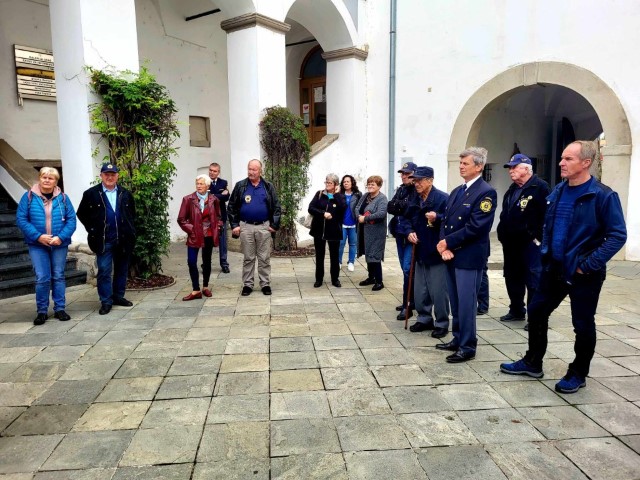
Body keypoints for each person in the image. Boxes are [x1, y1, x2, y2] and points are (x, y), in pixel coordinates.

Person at [500, 141, 626, 393]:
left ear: (586, 163)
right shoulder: (558, 190)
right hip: (553, 268)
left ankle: (578, 373)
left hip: (583, 272)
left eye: (568, 159)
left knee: (582, 323)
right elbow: (548, 225)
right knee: (536, 311)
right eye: (562, 158)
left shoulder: (603, 195)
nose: (561, 163)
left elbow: (617, 236)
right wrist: (545, 252)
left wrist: (587, 265)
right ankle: (533, 362)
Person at [436, 147, 497, 363]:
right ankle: (457, 337)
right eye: (460, 163)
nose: (461, 166)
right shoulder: (457, 191)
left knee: (467, 304)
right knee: (455, 301)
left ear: (479, 166)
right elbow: (445, 221)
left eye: (465, 163)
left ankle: (468, 346)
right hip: (451, 255)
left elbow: (476, 227)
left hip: (469, 257)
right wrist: (444, 246)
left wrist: (448, 242)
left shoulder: (486, 192)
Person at [16, 167, 77, 325]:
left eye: (51, 178)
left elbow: (71, 220)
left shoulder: (63, 198)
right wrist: (38, 236)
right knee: (42, 277)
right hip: (37, 244)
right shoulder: (28, 197)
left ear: (56, 181)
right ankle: (42, 311)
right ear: (39, 178)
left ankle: (60, 309)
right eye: (44, 177)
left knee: (58, 275)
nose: (47, 180)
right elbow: (21, 219)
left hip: (59, 244)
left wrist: (60, 237)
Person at [497, 154, 550, 327]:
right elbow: (506, 213)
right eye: (510, 168)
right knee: (512, 276)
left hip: (530, 244)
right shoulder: (512, 189)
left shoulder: (540, 187)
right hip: (511, 243)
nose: (510, 171)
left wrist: (537, 237)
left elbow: (548, 216)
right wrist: (502, 233)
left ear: (526, 169)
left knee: (533, 279)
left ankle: (535, 317)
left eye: (514, 167)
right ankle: (516, 310)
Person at [398, 166, 450, 337]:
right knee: (420, 290)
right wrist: (408, 232)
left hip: (436, 251)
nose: (416, 183)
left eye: (420, 180)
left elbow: (451, 221)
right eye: (415, 180)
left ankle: (441, 322)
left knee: (438, 290)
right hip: (419, 250)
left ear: (430, 181)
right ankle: (424, 318)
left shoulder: (443, 198)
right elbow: (405, 218)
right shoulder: (415, 198)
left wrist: (438, 217)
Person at [77, 163, 136, 315]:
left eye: (113, 174)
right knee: (104, 270)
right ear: (101, 176)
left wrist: (130, 231)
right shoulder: (91, 194)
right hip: (103, 240)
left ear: (117, 176)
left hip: (123, 239)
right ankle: (106, 301)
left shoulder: (125, 193)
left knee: (122, 269)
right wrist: (93, 229)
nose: (110, 177)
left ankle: (118, 296)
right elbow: (81, 213)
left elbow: (132, 214)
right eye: (106, 174)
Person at [227, 159, 281, 296]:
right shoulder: (240, 186)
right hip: (246, 227)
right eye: (249, 169)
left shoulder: (268, 186)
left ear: (260, 171)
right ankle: (248, 284)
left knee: (264, 258)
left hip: (264, 227)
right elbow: (231, 206)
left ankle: (265, 284)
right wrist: (235, 225)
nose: (251, 172)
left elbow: (276, 206)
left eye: (254, 169)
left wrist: (274, 225)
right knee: (248, 257)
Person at [178, 174, 222, 301]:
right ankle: (196, 289)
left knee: (207, 261)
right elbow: (181, 219)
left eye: (201, 184)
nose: (198, 186)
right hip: (194, 235)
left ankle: (205, 287)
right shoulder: (188, 199)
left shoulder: (214, 199)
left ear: (207, 186)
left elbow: (218, 217)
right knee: (191, 261)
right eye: (197, 183)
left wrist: (218, 227)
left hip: (208, 235)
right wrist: (192, 230)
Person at [388, 162, 417, 320]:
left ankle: (409, 304)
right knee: (405, 269)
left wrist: (400, 206)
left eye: (407, 174)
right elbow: (390, 207)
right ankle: (410, 300)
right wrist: (401, 205)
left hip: (411, 235)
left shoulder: (417, 190)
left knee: (408, 269)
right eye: (402, 173)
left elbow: (410, 210)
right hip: (399, 233)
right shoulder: (401, 189)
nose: (404, 176)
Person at [308, 173, 347, 288]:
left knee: (334, 256)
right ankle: (319, 279)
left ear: (336, 184)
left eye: (330, 183)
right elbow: (311, 208)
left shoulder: (340, 196)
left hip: (334, 230)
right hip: (319, 230)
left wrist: (337, 194)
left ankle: (335, 279)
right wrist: (323, 213)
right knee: (319, 256)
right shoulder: (319, 194)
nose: (327, 184)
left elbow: (343, 208)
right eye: (326, 182)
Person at [356, 175, 388, 291]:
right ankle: (371, 278)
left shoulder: (382, 199)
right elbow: (357, 207)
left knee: (375, 255)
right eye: (369, 184)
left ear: (379, 186)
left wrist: (365, 218)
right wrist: (358, 216)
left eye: (373, 184)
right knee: (368, 253)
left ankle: (379, 281)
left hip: (376, 232)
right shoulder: (365, 196)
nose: (370, 186)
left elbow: (381, 214)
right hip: (364, 231)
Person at [208, 162, 230, 273]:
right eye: (210, 170)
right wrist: (220, 195)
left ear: (218, 172)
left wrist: (212, 195)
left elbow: (227, 197)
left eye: (214, 171)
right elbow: (205, 197)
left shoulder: (223, 182)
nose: (212, 173)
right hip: (207, 217)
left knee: (222, 242)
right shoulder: (204, 182)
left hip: (221, 216)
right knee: (208, 241)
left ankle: (224, 264)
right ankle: (206, 263)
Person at [338, 175, 362, 272]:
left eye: (348, 181)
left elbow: (361, 207)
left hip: (353, 224)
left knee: (353, 244)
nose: (346, 183)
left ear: (352, 183)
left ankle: (351, 262)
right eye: (344, 182)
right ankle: (339, 262)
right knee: (341, 243)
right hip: (342, 224)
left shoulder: (357, 194)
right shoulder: (340, 194)